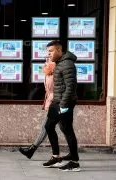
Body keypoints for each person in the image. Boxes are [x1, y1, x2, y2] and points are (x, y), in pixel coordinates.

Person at [42, 40, 80, 172]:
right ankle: (56, 157)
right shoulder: (59, 63)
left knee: (67, 129)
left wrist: (63, 105)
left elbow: (71, 87)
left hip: (65, 102)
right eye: (48, 52)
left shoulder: (67, 64)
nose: (49, 54)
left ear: (59, 50)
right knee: (48, 126)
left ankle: (74, 162)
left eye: (51, 51)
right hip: (57, 101)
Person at [18, 57, 55, 159]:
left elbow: (54, 90)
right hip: (52, 103)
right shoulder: (49, 74)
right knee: (48, 127)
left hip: (56, 104)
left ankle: (68, 156)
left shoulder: (54, 71)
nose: (45, 64)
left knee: (61, 129)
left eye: (47, 61)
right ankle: (32, 150)